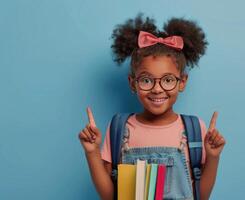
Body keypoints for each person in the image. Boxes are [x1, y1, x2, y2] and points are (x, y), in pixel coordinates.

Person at [78, 13, 226, 200]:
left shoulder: (194, 130)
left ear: (182, 82)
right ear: (133, 83)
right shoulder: (119, 128)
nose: (157, 89)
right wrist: (91, 152)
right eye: (147, 80)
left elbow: (201, 196)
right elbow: (109, 196)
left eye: (168, 80)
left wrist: (213, 157)